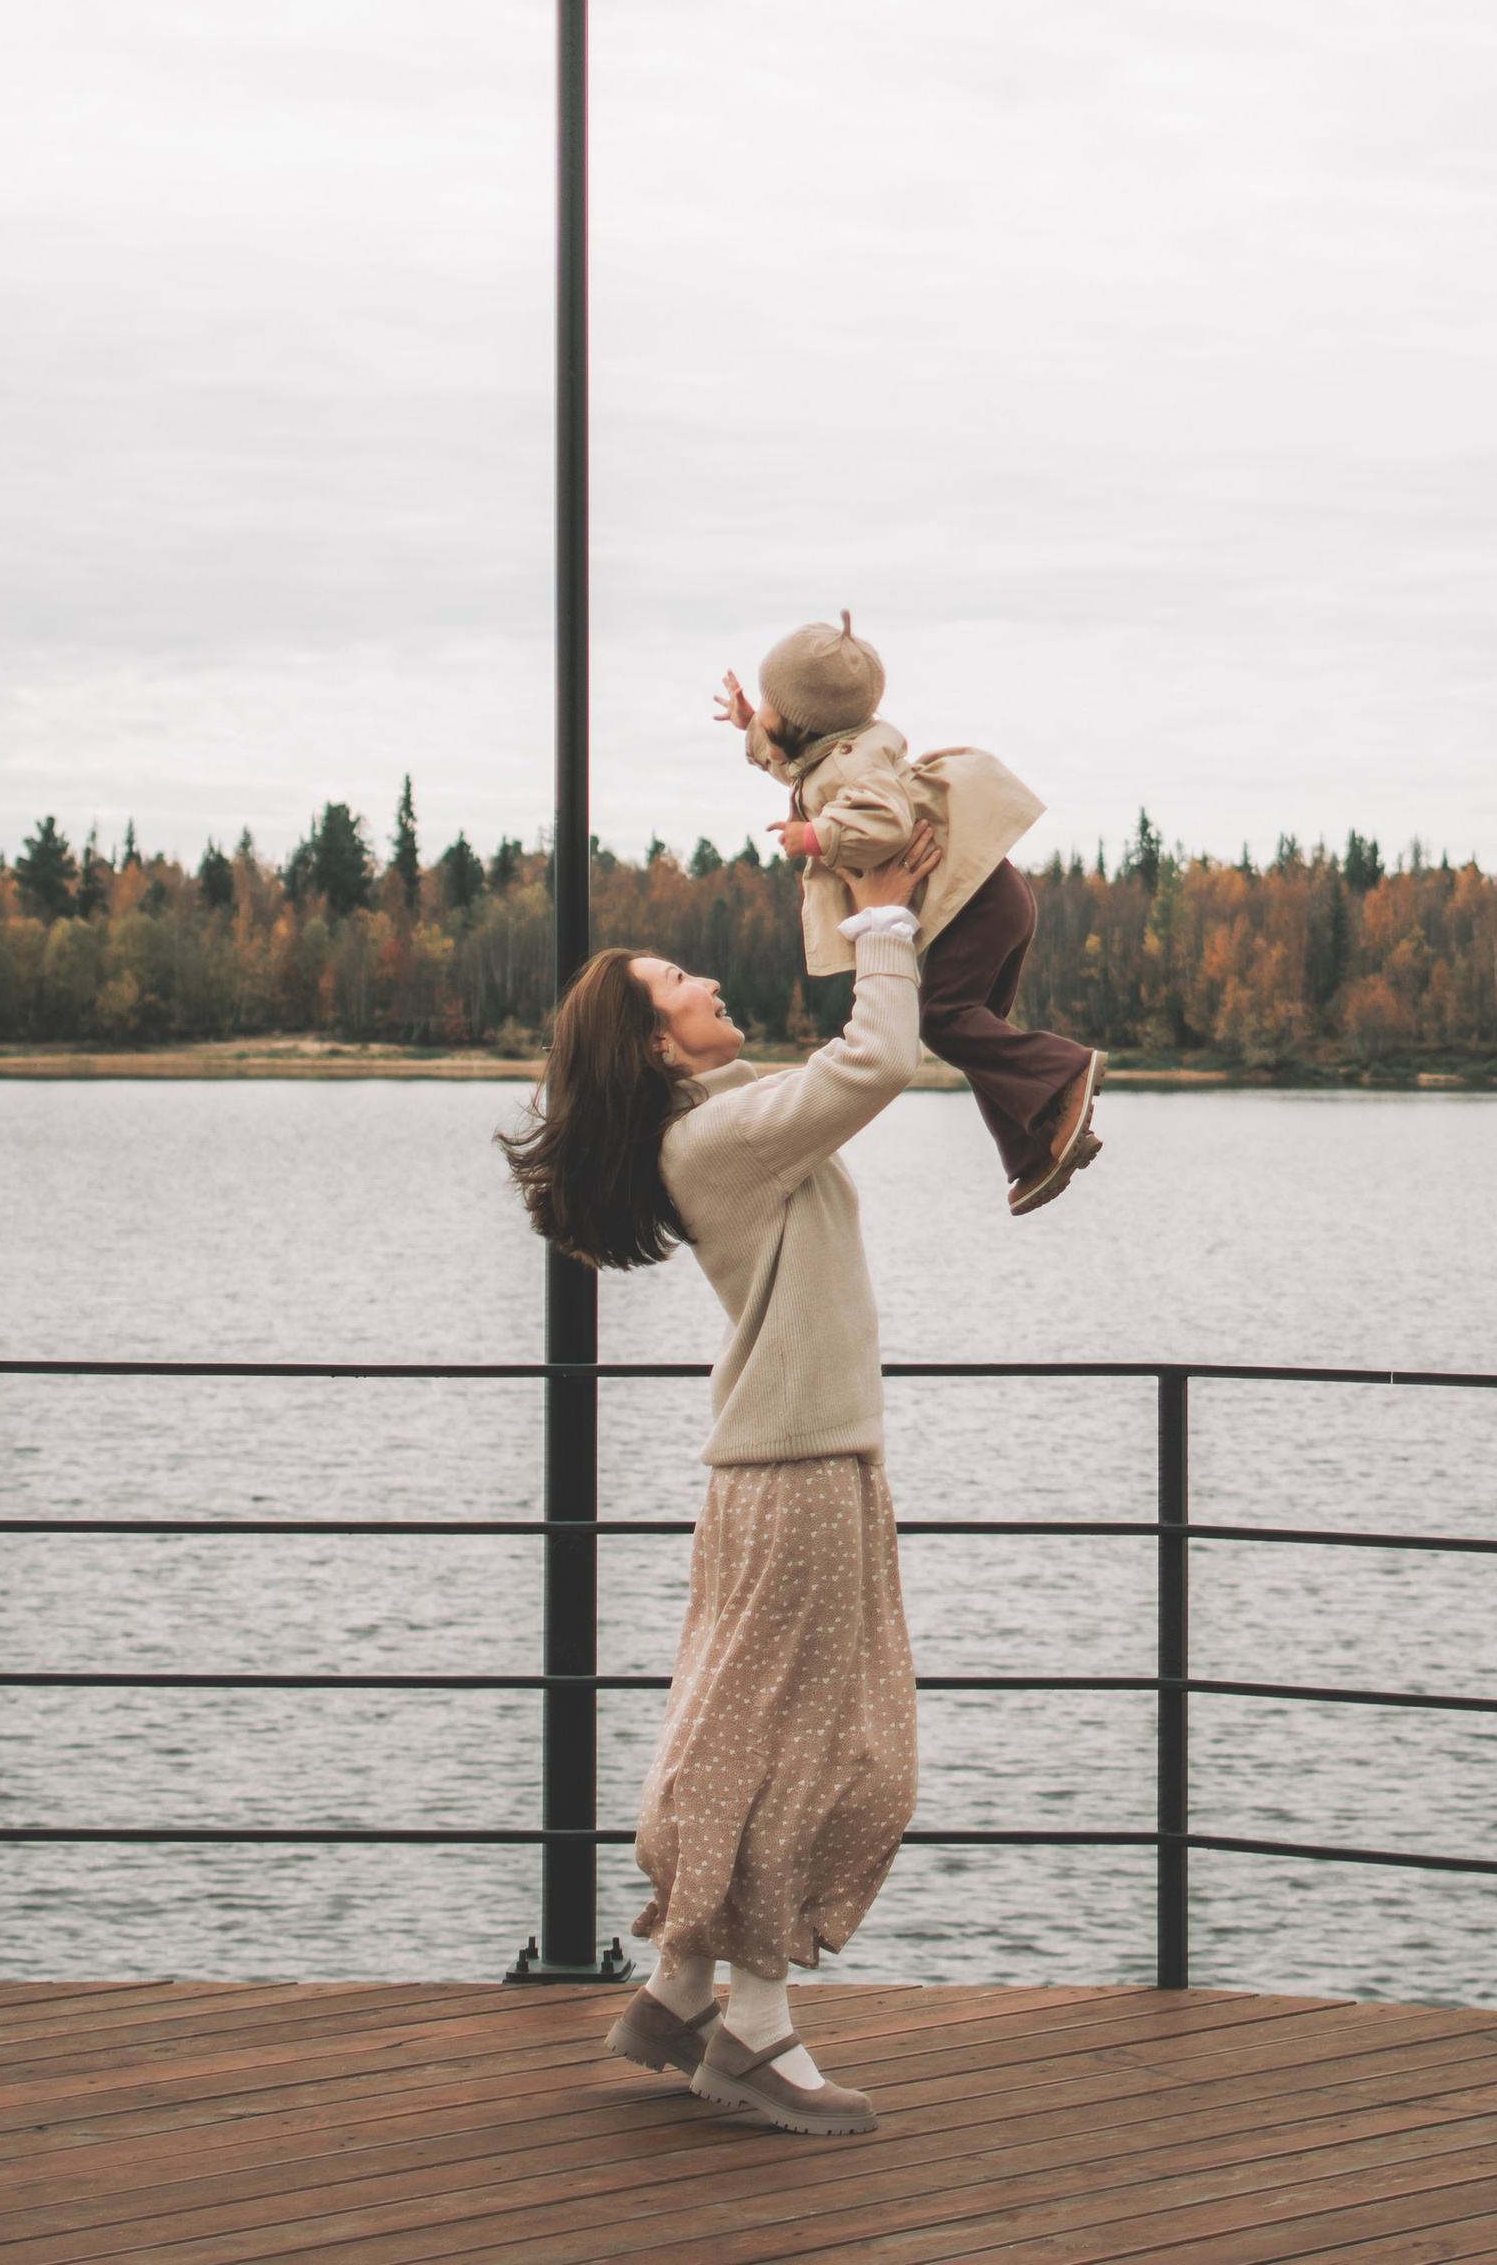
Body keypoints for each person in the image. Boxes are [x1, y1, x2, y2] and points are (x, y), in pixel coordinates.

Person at [498, 843, 936, 2140]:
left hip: (796, 1467)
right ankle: (754, 2031)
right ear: (651, 1048)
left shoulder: (723, 1123)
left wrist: (812, 797)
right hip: (796, 1474)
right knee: (811, 1745)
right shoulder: (729, 1138)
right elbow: (878, 1060)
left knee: (754, 1726)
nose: (708, 981)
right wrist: (883, 919)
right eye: (679, 981)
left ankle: (681, 1988)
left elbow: (814, 1074)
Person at [717, 611, 1104, 1215]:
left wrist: (813, 838)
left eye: (767, 707)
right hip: (991, 896)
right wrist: (748, 721)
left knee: (943, 1020)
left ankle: (1065, 1070)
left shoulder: (848, 768)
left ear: (800, 720)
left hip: (975, 906)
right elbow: (791, 761)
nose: (759, 716)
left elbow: (884, 821)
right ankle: (1036, 1148)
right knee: (974, 1031)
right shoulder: (833, 750)